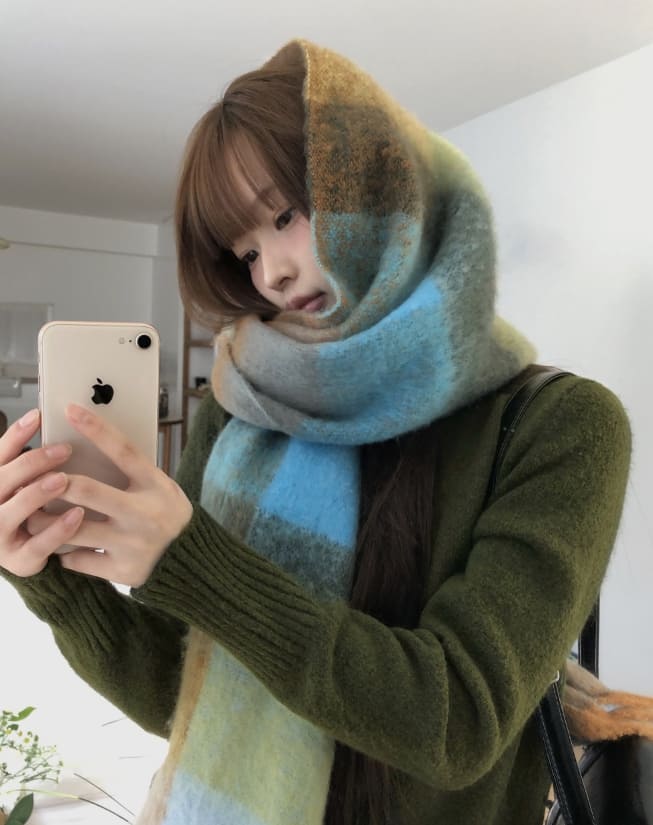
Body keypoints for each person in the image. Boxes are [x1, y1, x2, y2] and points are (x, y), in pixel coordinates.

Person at [0, 39, 631, 825]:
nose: (269, 273)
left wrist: (190, 560)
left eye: (284, 216)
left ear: (383, 183)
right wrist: (49, 577)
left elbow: (456, 720)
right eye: (245, 251)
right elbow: (182, 696)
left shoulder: (560, 425)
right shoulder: (238, 409)